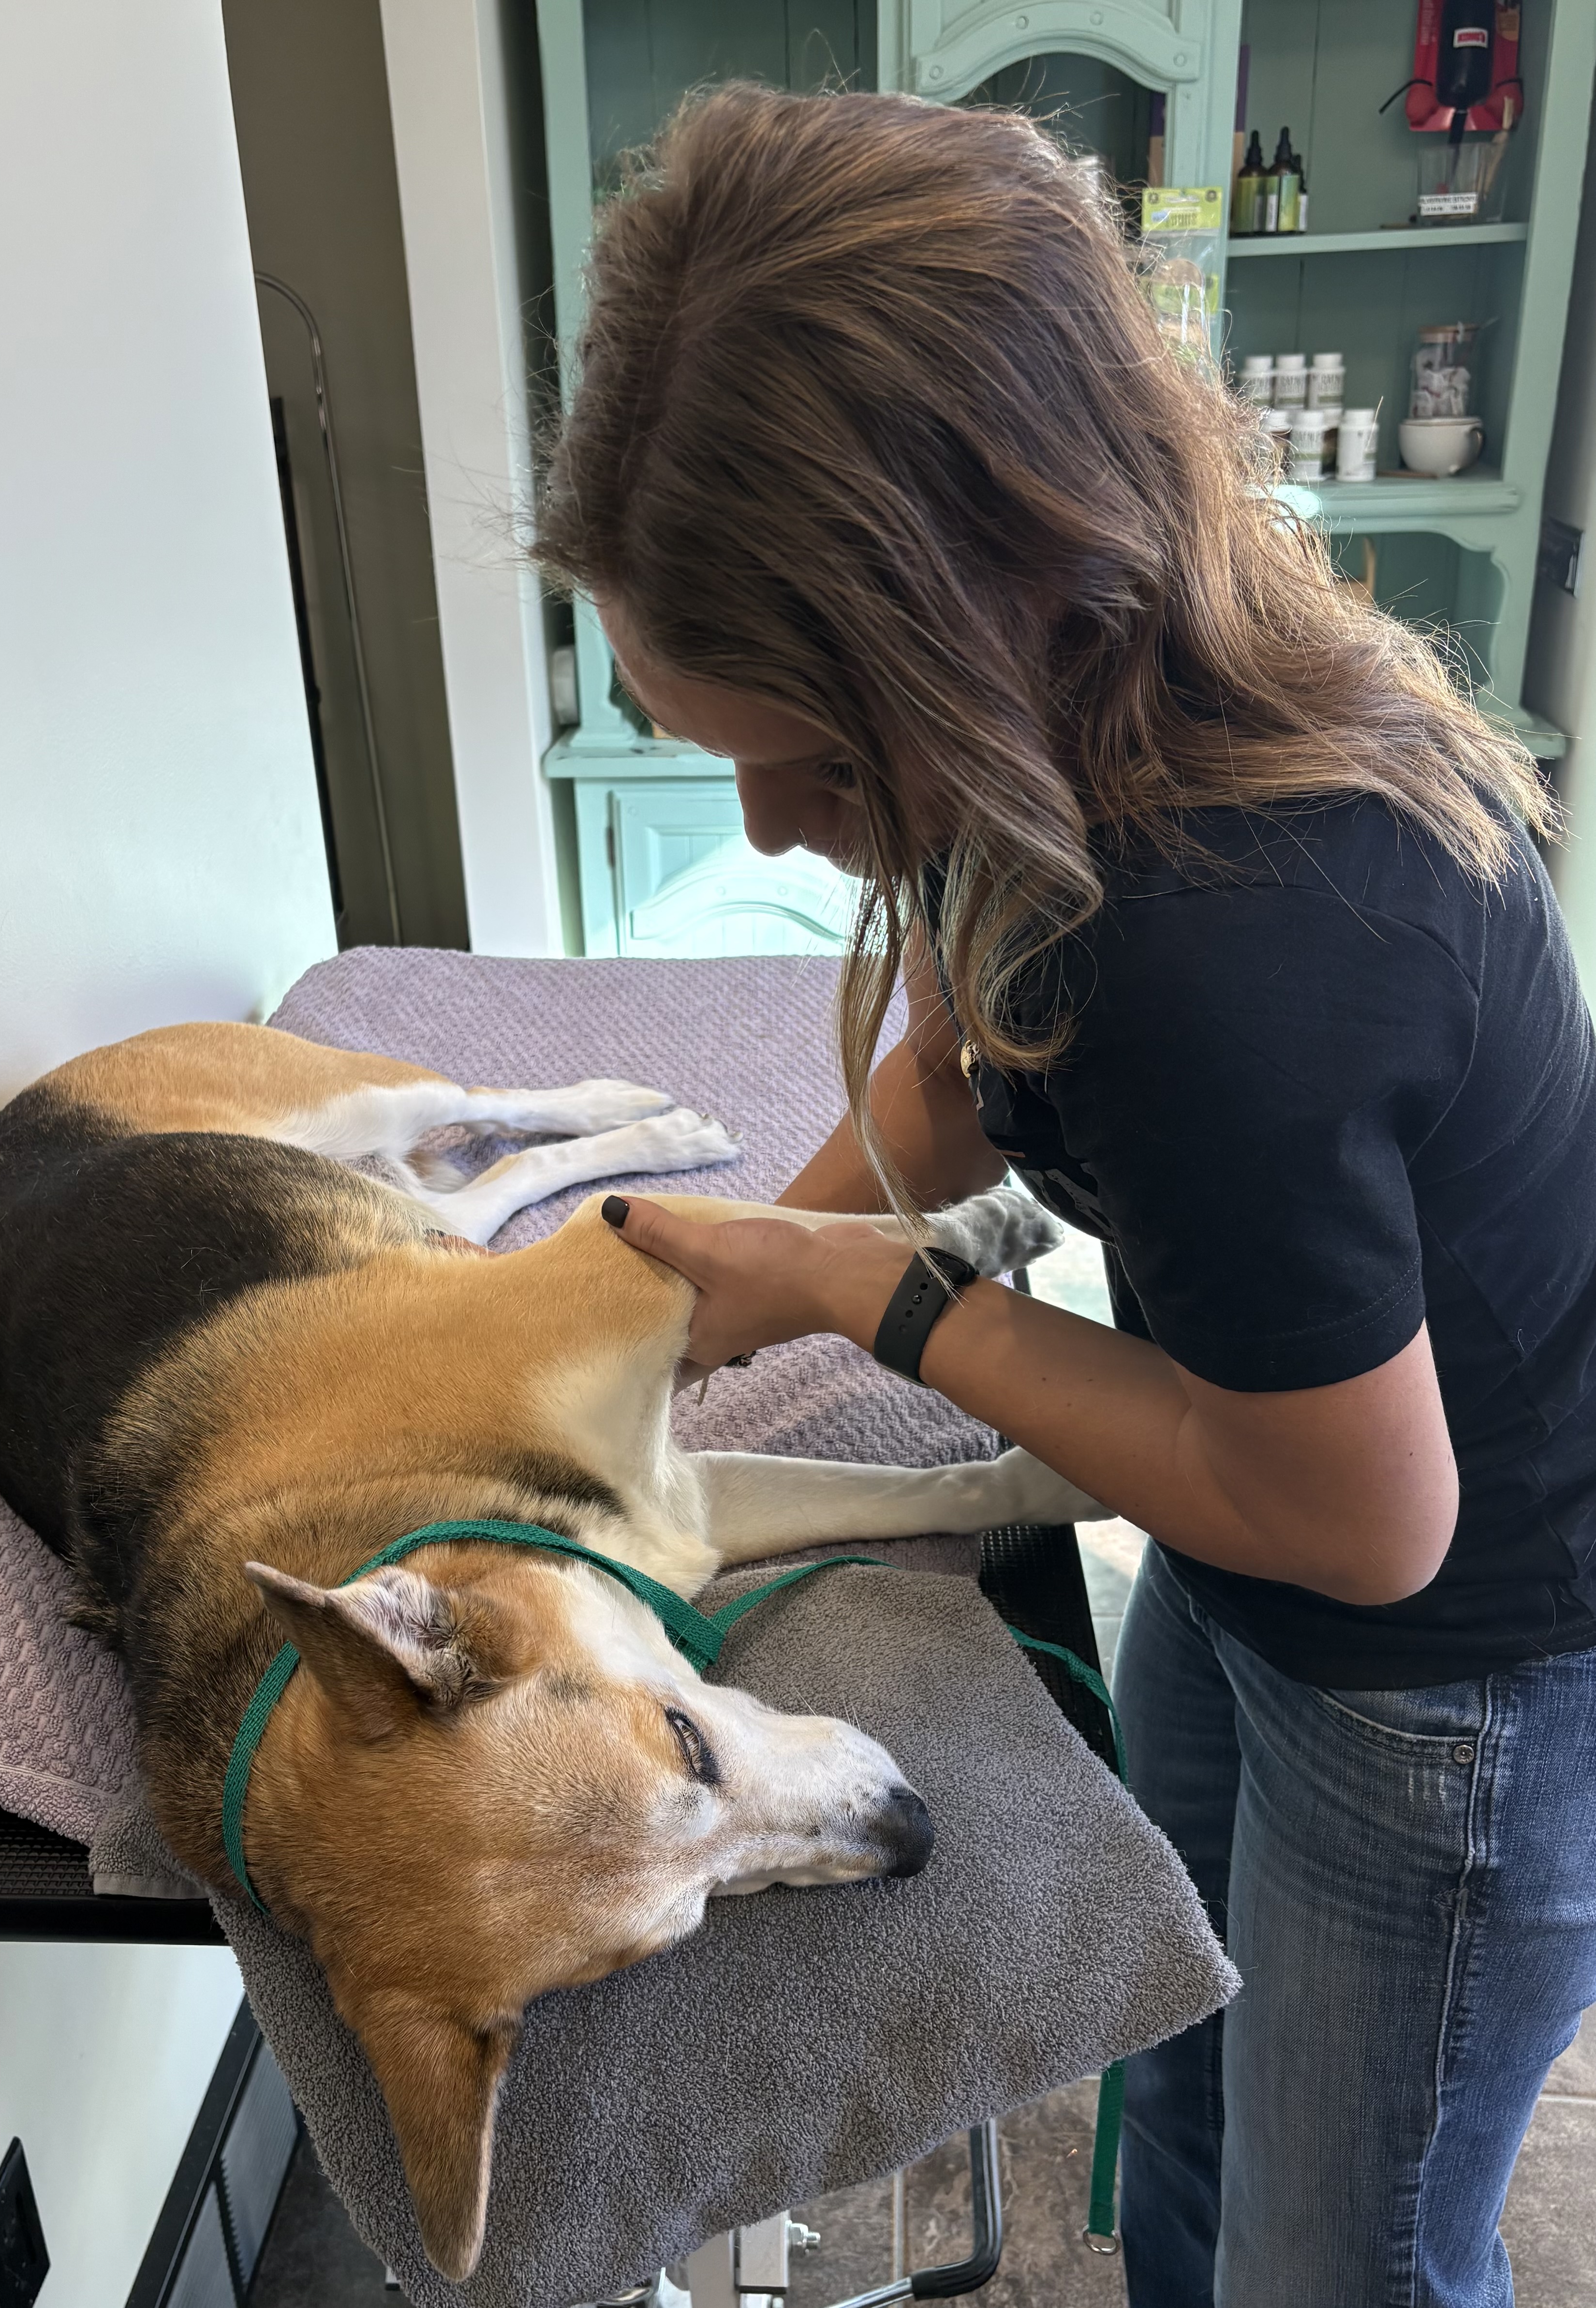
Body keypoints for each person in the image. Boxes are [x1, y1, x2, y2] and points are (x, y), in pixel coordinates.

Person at [534, 83, 1596, 2307]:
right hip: (1267, 1568)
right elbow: (970, 1030)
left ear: (966, 625)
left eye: (815, 761)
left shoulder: (1236, 942)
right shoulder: (1099, 715)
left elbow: (1359, 1518)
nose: (768, 811)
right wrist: (744, 1266)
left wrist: (884, 1299)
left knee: (1355, 2256)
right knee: (1190, 2085)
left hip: (1459, 1672)